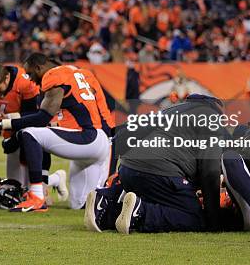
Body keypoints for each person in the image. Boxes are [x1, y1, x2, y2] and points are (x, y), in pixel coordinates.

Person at [84, 95, 222, 234]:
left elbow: (123, 135)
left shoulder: (171, 110)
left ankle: (105, 205)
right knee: (194, 217)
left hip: (128, 169)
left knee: (157, 202)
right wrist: (214, 219)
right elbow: (210, 172)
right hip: (160, 172)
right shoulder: (209, 118)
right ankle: (140, 213)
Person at [0, 54, 110, 211]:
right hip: (95, 142)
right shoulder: (78, 73)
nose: (30, 79)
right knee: (80, 205)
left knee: (30, 133)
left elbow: (42, 118)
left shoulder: (53, 76)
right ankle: (54, 180)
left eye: (30, 73)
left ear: (39, 68)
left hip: (87, 138)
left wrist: (4, 124)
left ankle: (37, 196)